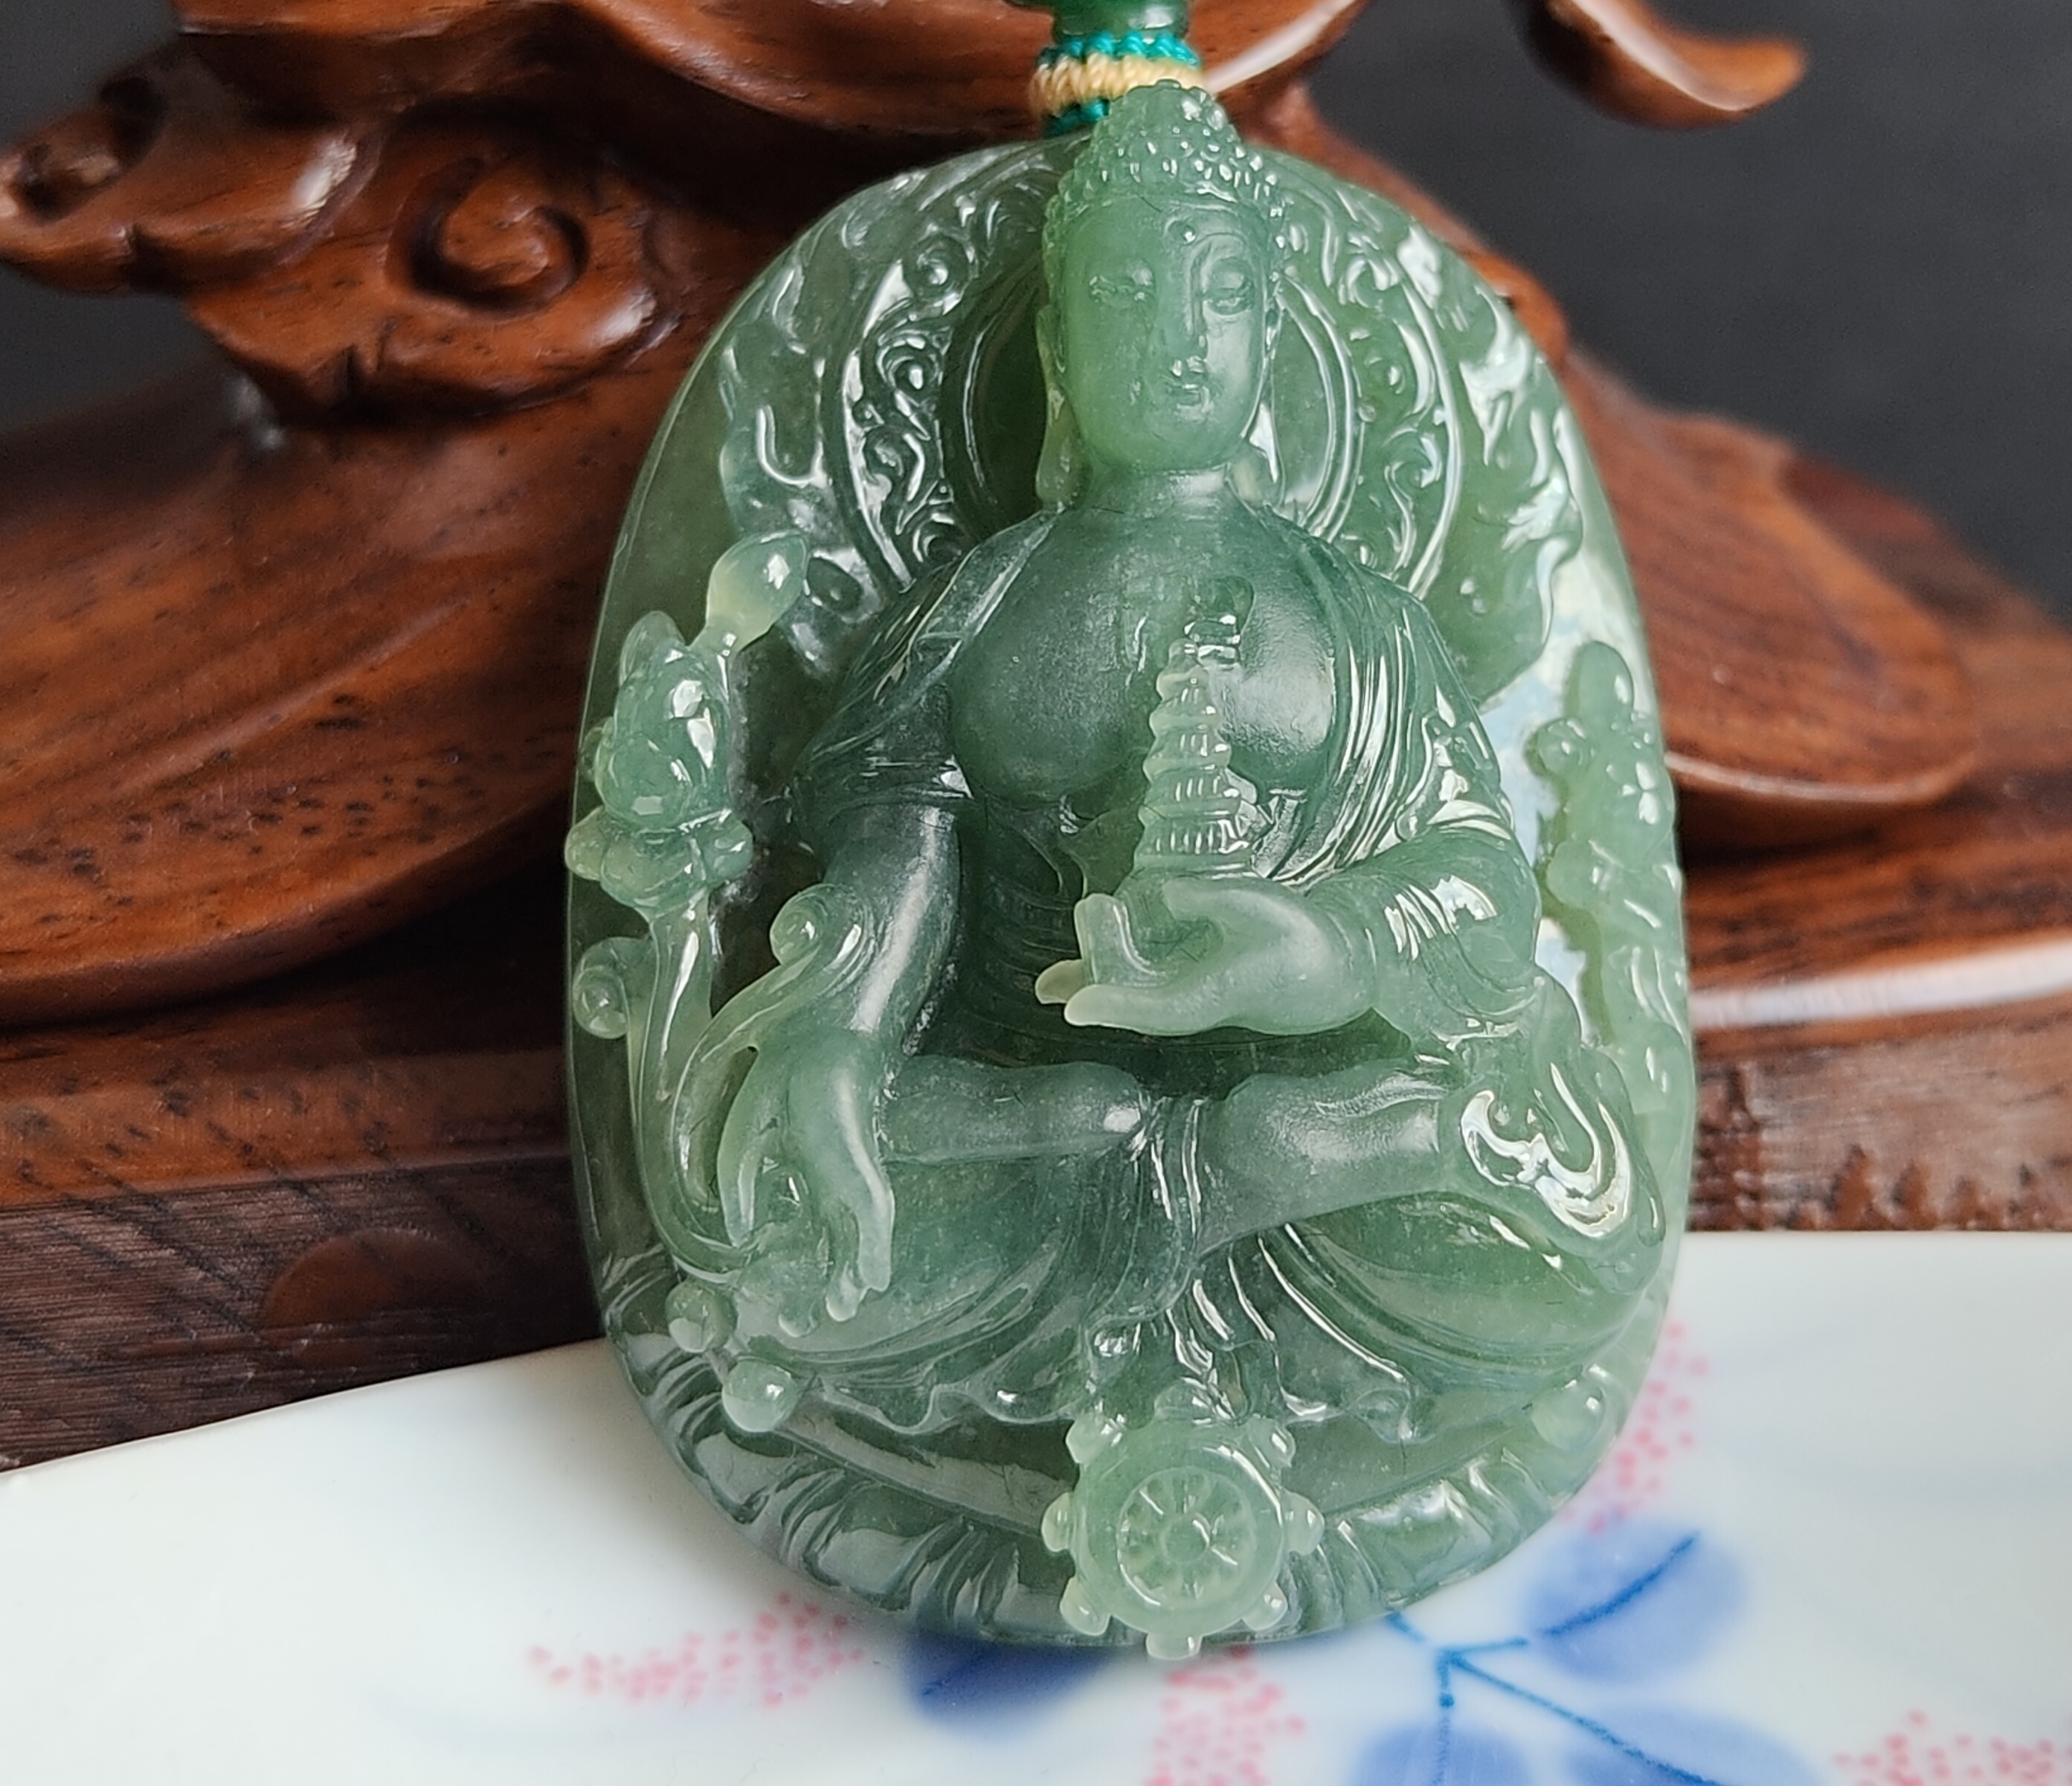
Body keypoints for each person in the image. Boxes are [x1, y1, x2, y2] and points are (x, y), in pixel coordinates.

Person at [610, 82, 1663, 1635]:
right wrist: (836, 1040)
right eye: (1122, 294)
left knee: (1582, 1237)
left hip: (1327, 1148)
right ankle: (1206, 1169)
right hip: (1039, 1128)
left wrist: (1327, 951)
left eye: (1221, 292)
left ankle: (1254, 1161)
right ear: (1055, 344)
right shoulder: (979, 608)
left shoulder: (1363, 622)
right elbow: (895, 858)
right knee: (791, 1230)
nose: (1177, 335)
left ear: (1271, 338)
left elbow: (1477, 884)